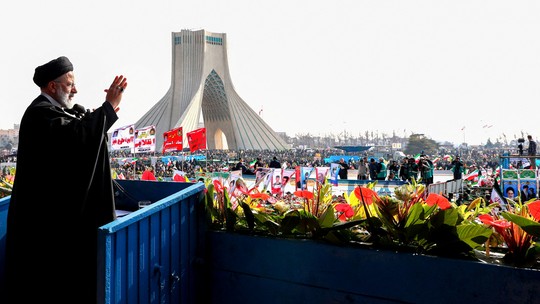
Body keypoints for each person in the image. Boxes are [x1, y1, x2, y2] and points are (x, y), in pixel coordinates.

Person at [5, 56, 127, 303]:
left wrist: (106, 112)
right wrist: (107, 109)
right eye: (70, 84)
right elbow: (75, 139)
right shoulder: (40, 115)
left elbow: (79, 134)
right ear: (52, 86)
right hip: (43, 226)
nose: (75, 90)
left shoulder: (56, 113)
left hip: (55, 220)